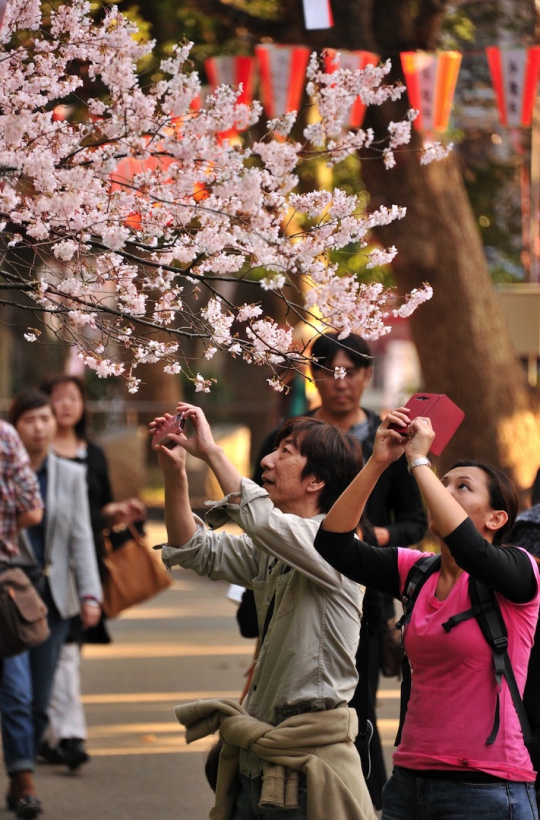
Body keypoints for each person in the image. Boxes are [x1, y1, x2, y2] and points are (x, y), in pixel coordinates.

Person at [152, 403, 377, 820]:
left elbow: (259, 521)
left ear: (317, 480)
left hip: (308, 764)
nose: (267, 460)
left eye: (286, 452)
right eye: (274, 449)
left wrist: (212, 452)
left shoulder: (335, 547)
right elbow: (196, 548)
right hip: (259, 754)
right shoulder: (274, 546)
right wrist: (175, 472)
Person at [313, 407, 540, 820]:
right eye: (443, 481)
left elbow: (471, 549)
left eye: (463, 486)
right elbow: (333, 544)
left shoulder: (519, 570)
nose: (443, 489)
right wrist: (379, 462)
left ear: (496, 518)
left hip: (489, 787)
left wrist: (419, 461)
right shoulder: (415, 570)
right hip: (408, 781)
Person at [254, 332, 427, 807]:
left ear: (368, 376)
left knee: (358, 710)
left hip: (362, 592)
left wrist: (371, 541)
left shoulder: (387, 441)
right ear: (314, 376)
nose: (340, 382)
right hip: (290, 577)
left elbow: (416, 521)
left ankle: (362, 801)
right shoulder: (289, 438)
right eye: (329, 370)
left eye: (351, 371)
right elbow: (261, 513)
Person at [0, 390, 102, 820]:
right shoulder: (9, 458)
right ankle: (23, 776)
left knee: (40, 698)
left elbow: (81, 536)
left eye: (45, 419)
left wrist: (90, 594)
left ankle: (23, 763)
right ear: (17, 426)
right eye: (31, 420)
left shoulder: (69, 474)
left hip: (53, 595)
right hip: (9, 590)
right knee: (17, 691)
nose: (40, 427)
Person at [38, 374, 145, 770]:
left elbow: (96, 509)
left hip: (81, 564)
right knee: (48, 654)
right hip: (36, 566)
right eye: (57, 397)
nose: (66, 405)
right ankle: (57, 735)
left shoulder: (93, 454)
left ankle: (61, 735)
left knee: (66, 654)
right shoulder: (33, 451)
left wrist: (116, 513)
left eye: (73, 397)